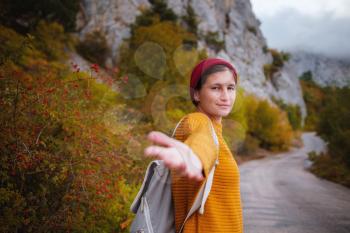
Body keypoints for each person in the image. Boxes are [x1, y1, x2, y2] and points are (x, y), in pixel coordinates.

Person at [144, 57, 243, 233]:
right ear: (196, 94)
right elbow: (201, 141)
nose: (225, 96)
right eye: (215, 88)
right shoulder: (197, 121)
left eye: (230, 88)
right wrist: (193, 157)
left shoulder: (216, 131)